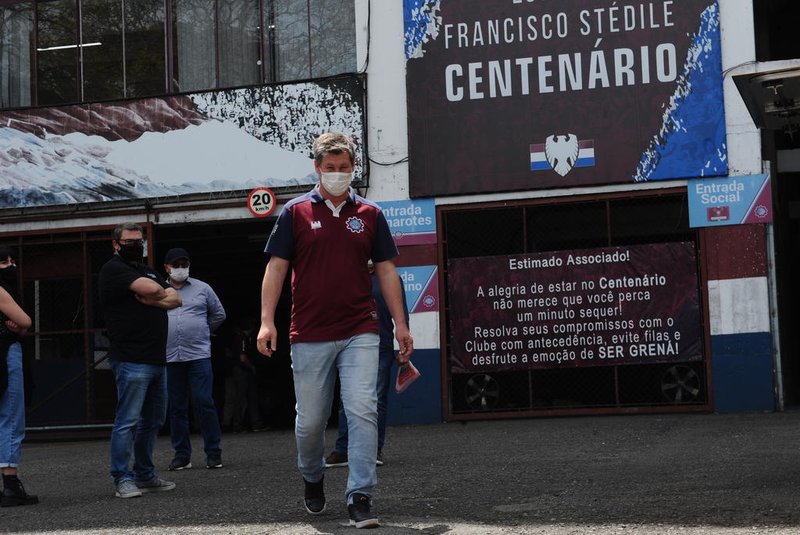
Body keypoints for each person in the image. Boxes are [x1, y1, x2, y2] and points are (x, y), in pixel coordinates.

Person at [257, 132, 414, 529]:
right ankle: (312, 476)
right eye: (331, 169)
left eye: (345, 168)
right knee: (310, 421)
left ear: (353, 168)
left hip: (360, 329)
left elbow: (387, 271)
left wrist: (401, 324)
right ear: (317, 168)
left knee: (362, 409)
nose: (338, 175)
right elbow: (276, 268)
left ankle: (360, 495)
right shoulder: (294, 213)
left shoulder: (371, 215)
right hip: (308, 332)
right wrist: (265, 321)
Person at [98, 223, 182, 499]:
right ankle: (122, 477)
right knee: (128, 421)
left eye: (139, 240)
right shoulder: (114, 270)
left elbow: (175, 298)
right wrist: (158, 294)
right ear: (116, 244)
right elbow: (157, 290)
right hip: (131, 359)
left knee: (153, 420)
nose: (136, 244)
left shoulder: (147, 269)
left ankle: (144, 474)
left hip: (157, 358)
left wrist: (154, 299)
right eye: (130, 241)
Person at [325, 263, 409, 468]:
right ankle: (344, 449)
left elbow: (401, 314)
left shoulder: (389, 278)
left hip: (381, 344)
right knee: (347, 398)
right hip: (350, 344)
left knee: (377, 398)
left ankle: (374, 449)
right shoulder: (348, 273)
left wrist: (403, 343)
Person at [163, 248, 226, 471]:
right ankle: (182, 455)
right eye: (176, 264)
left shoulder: (203, 288)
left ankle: (213, 452)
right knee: (177, 407)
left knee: (204, 402)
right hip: (171, 357)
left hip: (198, 354)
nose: (181, 268)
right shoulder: (159, 291)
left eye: (184, 263)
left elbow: (219, 314)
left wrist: (202, 331)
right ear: (167, 268)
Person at [0, 246, 38, 507]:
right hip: (4, 354)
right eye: (3, 262)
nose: (10, 266)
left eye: (12, 260)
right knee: (11, 417)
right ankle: (11, 484)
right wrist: (21, 325)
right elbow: (25, 320)